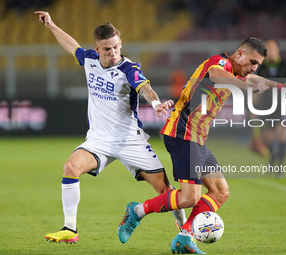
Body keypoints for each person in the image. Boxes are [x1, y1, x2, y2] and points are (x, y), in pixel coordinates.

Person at [117, 37, 286, 254]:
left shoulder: (237, 72)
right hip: (182, 132)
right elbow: (217, 75)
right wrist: (244, 85)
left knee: (220, 192)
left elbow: (252, 78)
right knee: (190, 197)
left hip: (198, 138)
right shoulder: (219, 63)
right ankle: (137, 211)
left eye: (258, 64)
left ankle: (185, 237)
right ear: (240, 53)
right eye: (252, 61)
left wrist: (281, 85)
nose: (253, 68)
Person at [34, 11, 187, 244]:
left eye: (116, 47)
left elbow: (145, 88)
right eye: (107, 49)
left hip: (130, 141)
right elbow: (72, 45)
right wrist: (52, 25)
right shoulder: (89, 60)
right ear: (97, 49)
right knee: (71, 167)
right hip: (99, 140)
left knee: (165, 190)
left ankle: (184, 227)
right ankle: (70, 229)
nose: (113, 53)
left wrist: (156, 104)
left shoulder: (128, 69)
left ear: (120, 43)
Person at [249, 39, 286, 177]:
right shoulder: (260, 67)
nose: (269, 49)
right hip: (266, 107)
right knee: (267, 138)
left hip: (284, 106)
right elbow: (254, 88)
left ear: (278, 49)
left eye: (271, 47)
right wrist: (253, 108)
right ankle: (272, 159)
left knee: (282, 136)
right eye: (266, 47)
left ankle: (280, 168)